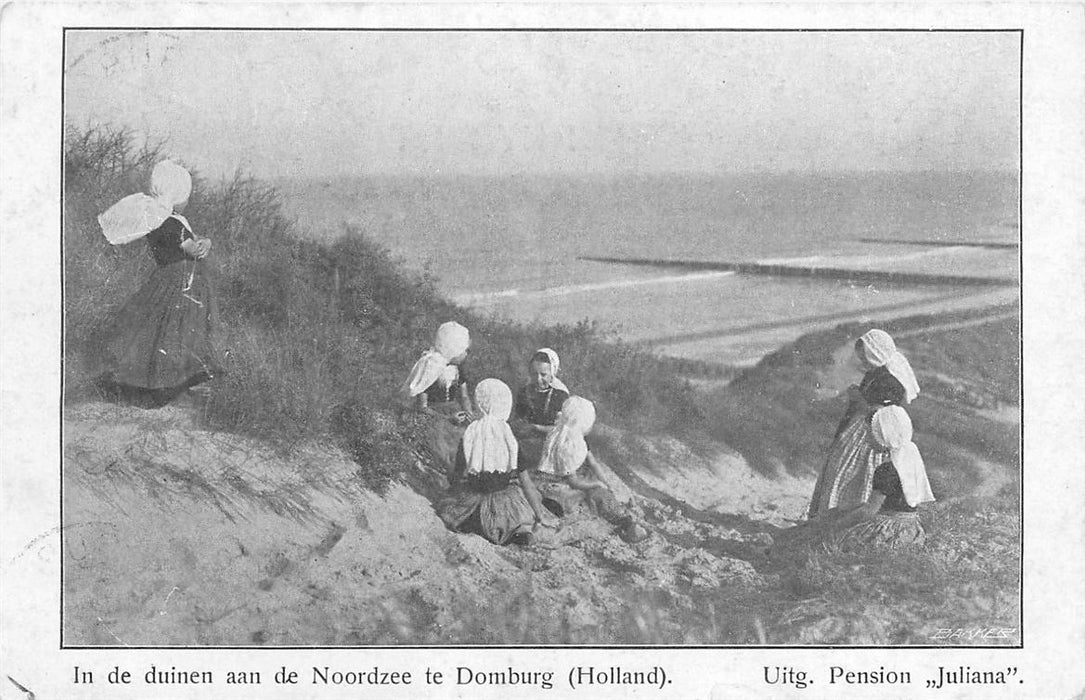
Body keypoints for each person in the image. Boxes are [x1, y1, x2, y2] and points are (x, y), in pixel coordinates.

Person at [95, 159, 223, 404]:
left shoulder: (158, 218)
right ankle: (165, 382)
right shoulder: (170, 222)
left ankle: (162, 380)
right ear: (175, 194)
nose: (187, 200)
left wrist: (202, 242)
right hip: (181, 280)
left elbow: (188, 243)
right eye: (185, 195)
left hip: (172, 279)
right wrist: (205, 245)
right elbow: (190, 248)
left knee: (160, 328)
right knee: (176, 330)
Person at [780, 406, 934, 553]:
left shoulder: (886, 469)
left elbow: (869, 511)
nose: (866, 439)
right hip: (910, 527)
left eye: (869, 434)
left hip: (888, 529)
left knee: (826, 537)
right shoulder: (909, 458)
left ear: (883, 435)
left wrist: (837, 525)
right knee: (836, 514)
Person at [807, 328, 920, 518]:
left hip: (872, 432)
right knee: (840, 471)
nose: (862, 361)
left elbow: (879, 412)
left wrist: (857, 397)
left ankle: (844, 517)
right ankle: (828, 515)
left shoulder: (890, 380)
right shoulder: (875, 374)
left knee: (854, 474)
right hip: (860, 428)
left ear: (876, 354)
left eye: (865, 356)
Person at [435, 379, 558, 545]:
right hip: (504, 499)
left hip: (474, 499)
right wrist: (540, 515)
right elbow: (526, 482)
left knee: (459, 513)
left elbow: (457, 477)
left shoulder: (470, 436)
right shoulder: (509, 440)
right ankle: (519, 531)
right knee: (519, 512)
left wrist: (453, 490)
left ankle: (477, 525)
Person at [532, 396, 649, 543]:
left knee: (597, 487)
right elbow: (573, 482)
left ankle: (617, 514)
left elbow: (593, 463)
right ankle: (623, 521)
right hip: (562, 488)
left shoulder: (559, 432)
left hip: (546, 482)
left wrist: (606, 482)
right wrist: (598, 484)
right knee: (598, 494)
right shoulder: (571, 445)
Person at [402, 321, 475, 424]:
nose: (466, 354)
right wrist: (447, 419)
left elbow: (464, 396)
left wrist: (468, 411)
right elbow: (422, 407)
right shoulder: (431, 370)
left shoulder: (457, 369)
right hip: (435, 417)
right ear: (453, 351)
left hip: (454, 412)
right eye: (464, 350)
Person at [511, 348, 571, 468]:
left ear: (552, 372)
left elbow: (562, 430)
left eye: (543, 375)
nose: (538, 379)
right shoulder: (525, 391)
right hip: (528, 438)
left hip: (551, 441)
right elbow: (519, 418)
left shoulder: (560, 394)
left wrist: (535, 428)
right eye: (534, 374)